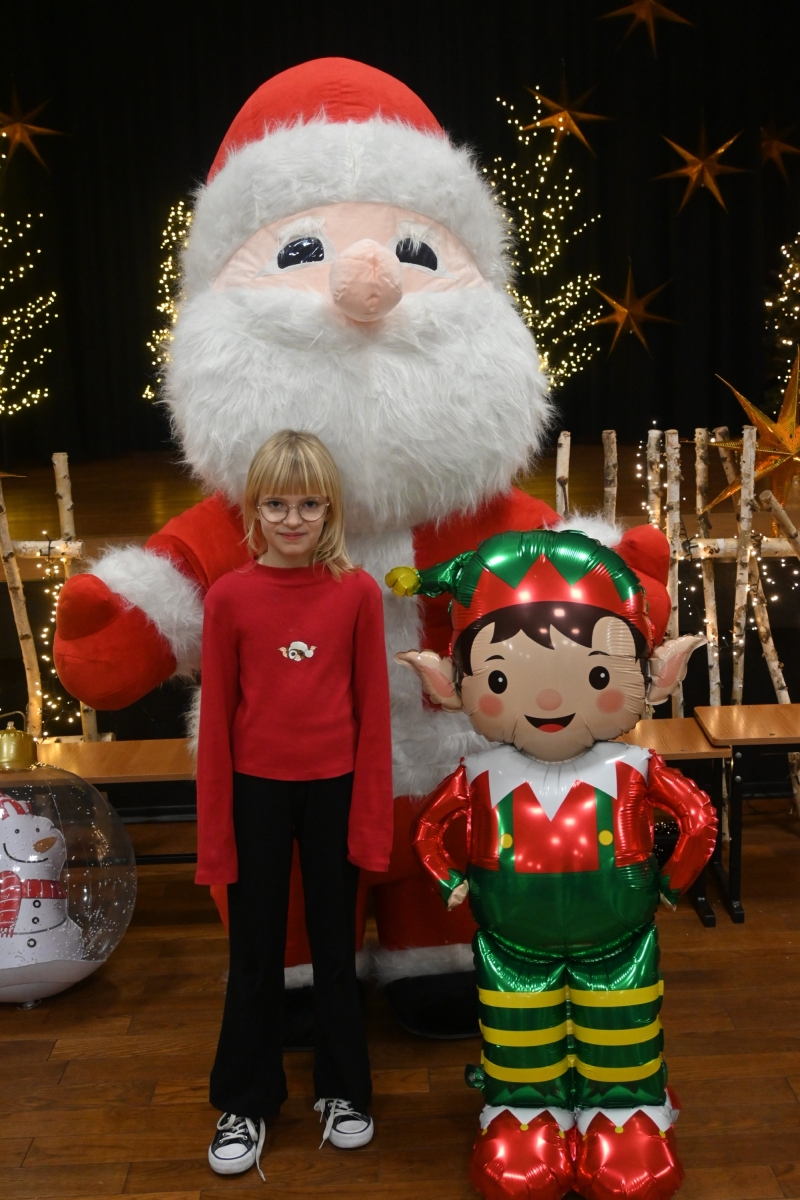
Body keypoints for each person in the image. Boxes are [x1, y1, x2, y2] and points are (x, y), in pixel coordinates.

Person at [196, 429, 393, 1179]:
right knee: (255, 953)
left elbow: (372, 715)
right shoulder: (230, 598)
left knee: (338, 950)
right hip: (256, 793)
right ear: (254, 508)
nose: (292, 519)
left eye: (309, 504)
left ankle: (343, 1091)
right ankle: (246, 1101)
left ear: (330, 509)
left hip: (335, 790)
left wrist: (369, 823)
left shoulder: (357, 593)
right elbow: (217, 725)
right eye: (276, 504)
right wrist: (218, 835)